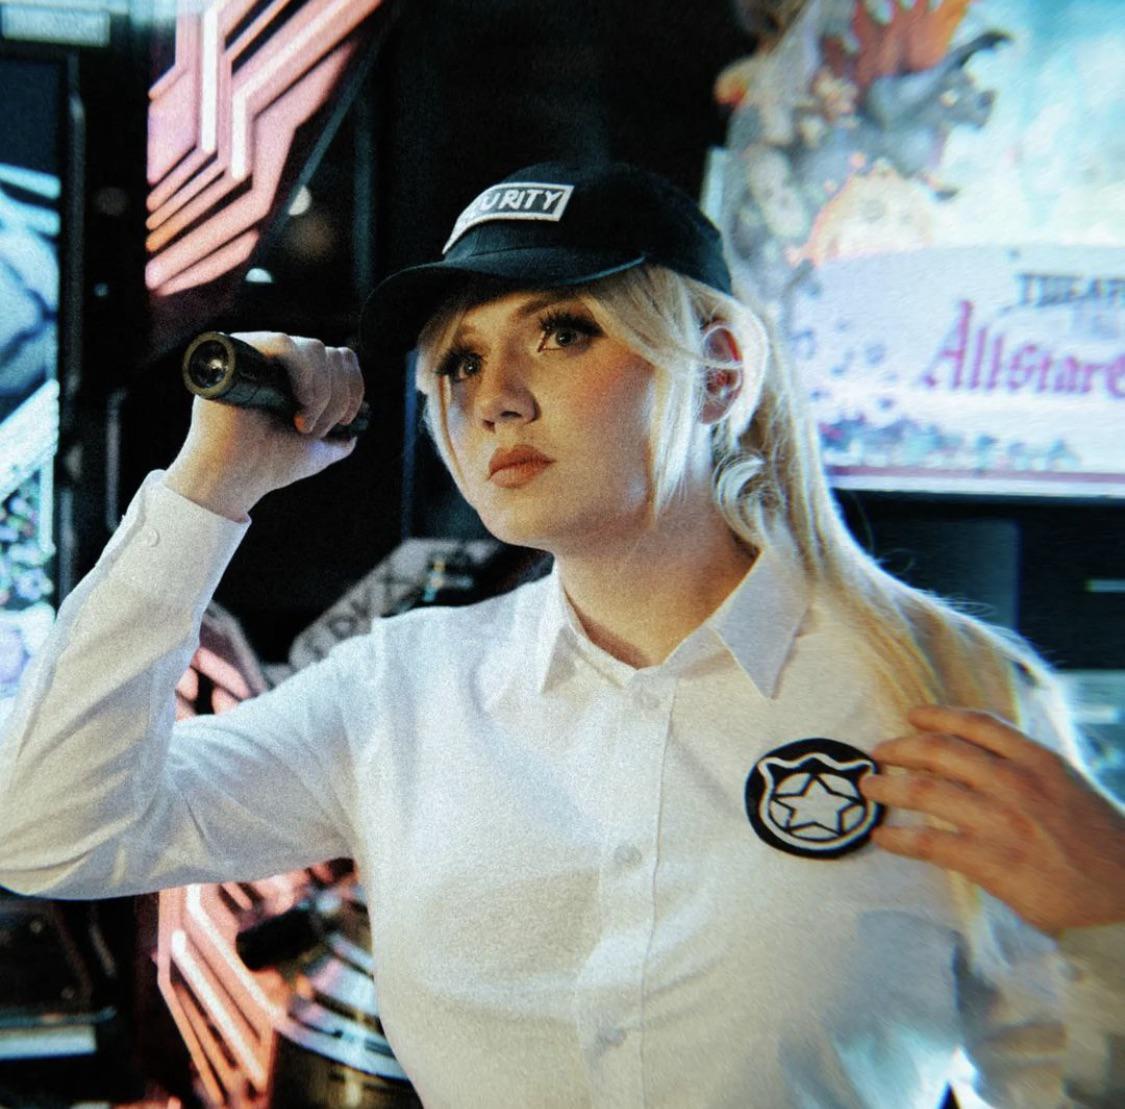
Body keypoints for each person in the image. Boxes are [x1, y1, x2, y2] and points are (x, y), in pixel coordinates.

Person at [0, 161, 1122, 1107]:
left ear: (718, 371)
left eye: (563, 332)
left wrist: (1112, 918)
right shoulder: (403, 691)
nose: (494, 397)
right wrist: (208, 490)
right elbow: (49, 831)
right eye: (459, 360)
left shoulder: (945, 687)